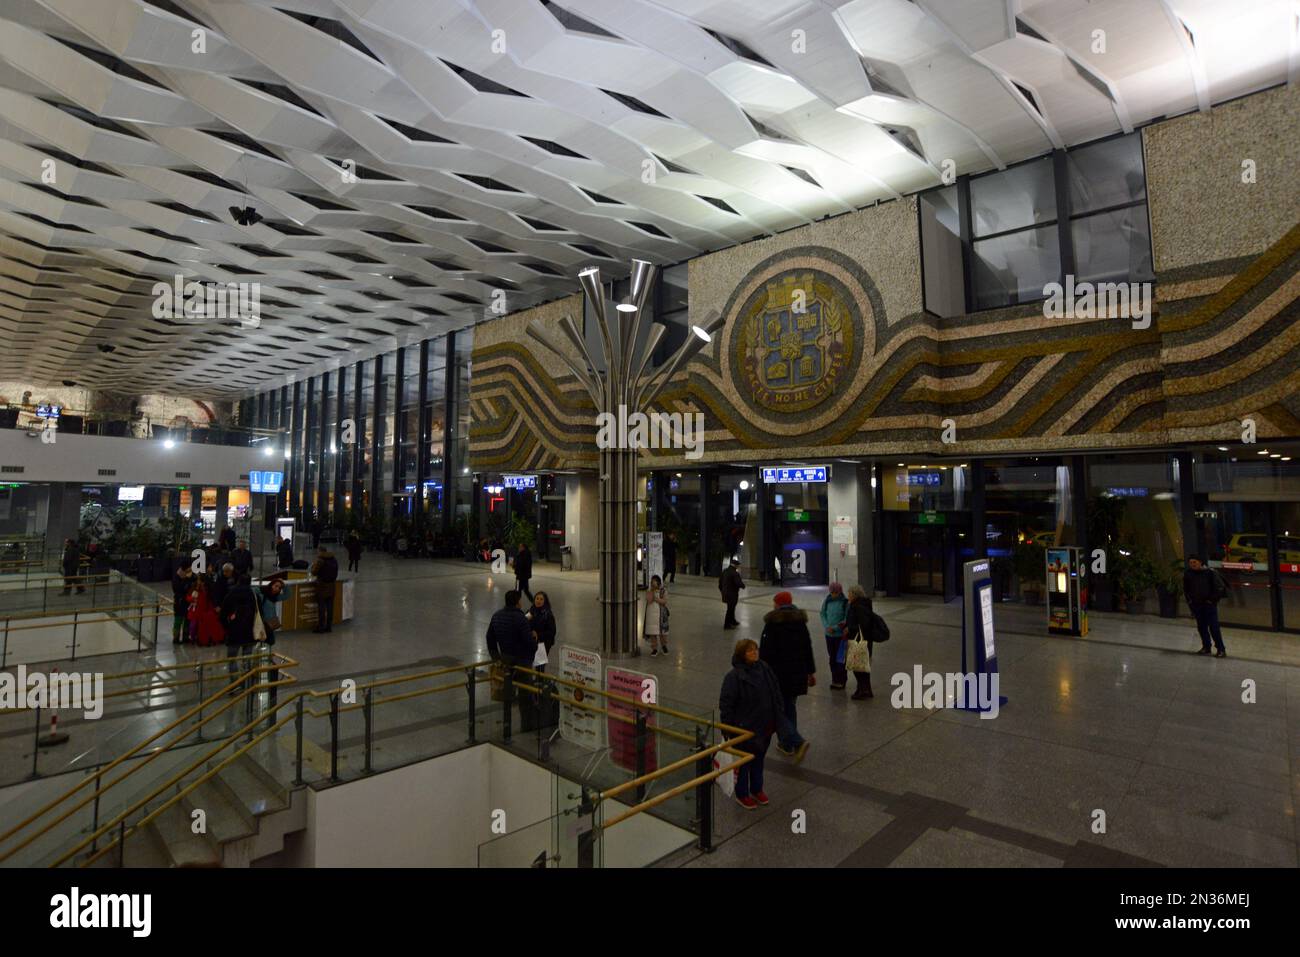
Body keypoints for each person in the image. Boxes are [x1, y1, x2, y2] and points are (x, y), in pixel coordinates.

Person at [718, 638, 787, 810]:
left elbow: (775, 690)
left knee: (759, 761)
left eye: (755, 649)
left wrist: (778, 711)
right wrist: (728, 728)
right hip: (744, 728)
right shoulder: (734, 677)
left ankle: (757, 789)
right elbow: (726, 704)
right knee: (744, 763)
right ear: (742, 654)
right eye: (750, 650)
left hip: (765, 726)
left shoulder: (764, 668)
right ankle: (742, 794)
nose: (754, 653)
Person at [759, 592, 813, 762]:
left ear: (778, 604)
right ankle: (786, 745)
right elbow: (807, 647)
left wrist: (762, 672)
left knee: (777, 710)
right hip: (797, 673)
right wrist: (810, 672)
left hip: (778, 674)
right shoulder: (800, 622)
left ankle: (796, 742)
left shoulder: (773, 623)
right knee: (790, 706)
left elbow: (765, 651)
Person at [486, 590, 540, 728]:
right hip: (522, 661)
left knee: (507, 693)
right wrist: (534, 641)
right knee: (525, 694)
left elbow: (489, 637)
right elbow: (528, 641)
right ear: (517, 602)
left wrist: (496, 657)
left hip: (505, 660)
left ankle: (506, 725)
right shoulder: (520, 618)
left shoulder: (496, 616)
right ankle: (527, 725)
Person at [1184, 555, 1228, 657]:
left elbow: (1219, 588)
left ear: (1200, 562)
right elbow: (1186, 589)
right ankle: (1206, 647)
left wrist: (1211, 600)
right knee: (1202, 627)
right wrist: (1190, 601)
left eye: (1194, 562)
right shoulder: (1188, 574)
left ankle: (1221, 649)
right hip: (1196, 604)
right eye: (1190, 563)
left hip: (1209, 605)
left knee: (1214, 627)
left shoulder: (1210, 573)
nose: (1192, 564)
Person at [219, 574, 258, 684]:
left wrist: (227, 627)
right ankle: (246, 680)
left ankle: (234, 683)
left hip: (233, 633)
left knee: (232, 659)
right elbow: (259, 613)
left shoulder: (231, 594)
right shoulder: (253, 594)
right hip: (249, 633)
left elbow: (222, 615)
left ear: (238, 581)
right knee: (247, 658)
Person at [842, 585, 876, 700]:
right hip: (861, 640)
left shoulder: (859, 606)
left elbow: (864, 624)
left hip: (860, 641)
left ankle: (863, 690)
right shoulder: (859, 604)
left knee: (858, 668)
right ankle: (865, 689)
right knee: (862, 667)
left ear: (855, 595)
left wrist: (849, 628)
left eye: (850, 594)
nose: (848, 596)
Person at [257, 577, 287, 706]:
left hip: (270, 624)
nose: (277, 589)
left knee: (269, 642)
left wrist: (284, 585)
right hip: (264, 624)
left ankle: (265, 658)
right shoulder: (263, 594)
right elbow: (253, 590)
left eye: (279, 588)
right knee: (265, 641)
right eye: (275, 586)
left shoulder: (276, 597)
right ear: (270, 585)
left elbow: (287, 595)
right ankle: (262, 659)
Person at [819, 583, 850, 690]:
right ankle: (835, 680)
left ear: (840, 592)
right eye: (831, 592)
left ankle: (842, 680)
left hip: (840, 636)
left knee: (840, 659)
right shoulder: (827, 601)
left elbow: (846, 618)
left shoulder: (845, 603)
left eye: (835, 592)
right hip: (829, 635)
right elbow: (822, 614)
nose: (833, 594)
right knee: (832, 658)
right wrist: (827, 626)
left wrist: (835, 628)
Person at [310, 547, 339, 633]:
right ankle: (329, 626)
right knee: (330, 607)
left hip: (322, 586)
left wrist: (313, 566)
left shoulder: (320, 560)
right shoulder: (334, 559)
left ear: (320, 552)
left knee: (321, 607)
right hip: (332, 586)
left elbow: (314, 572)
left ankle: (321, 627)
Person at [527, 591, 556, 672]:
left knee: (540, 664)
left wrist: (538, 635)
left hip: (543, 643)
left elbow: (552, 632)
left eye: (541, 599)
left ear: (545, 601)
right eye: (537, 598)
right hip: (533, 641)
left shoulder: (548, 615)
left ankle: (540, 680)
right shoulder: (531, 611)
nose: (538, 601)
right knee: (533, 662)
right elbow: (524, 623)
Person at [644, 574, 669, 657]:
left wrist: (656, 599)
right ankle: (654, 648)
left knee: (662, 633)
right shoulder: (650, 590)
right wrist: (652, 590)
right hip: (651, 615)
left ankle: (664, 646)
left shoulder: (663, 591)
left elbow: (664, 601)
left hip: (661, 616)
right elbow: (649, 600)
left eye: (654, 582)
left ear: (658, 582)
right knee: (652, 633)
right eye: (651, 582)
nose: (652, 583)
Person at [171, 563, 195, 644]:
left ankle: (185, 637)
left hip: (188, 602)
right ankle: (176, 638)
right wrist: (186, 580)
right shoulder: (177, 577)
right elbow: (178, 589)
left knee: (187, 620)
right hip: (179, 603)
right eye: (189, 569)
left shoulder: (191, 576)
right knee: (178, 620)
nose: (190, 571)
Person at [719, 558, 744, 629]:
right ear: (736, 566)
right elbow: (738, 583)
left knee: (731, 608)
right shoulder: (735, 573)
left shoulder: (725, 571)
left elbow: (720, 583)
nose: (738, 567)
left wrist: (722, 590)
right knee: (730, 609)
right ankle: (727, 625)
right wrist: (743, 586)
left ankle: (733, 621)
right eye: (738, 566)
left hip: (725, 593)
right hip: (732, 594)